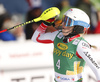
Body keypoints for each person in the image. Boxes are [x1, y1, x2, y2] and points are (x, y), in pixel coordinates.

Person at [32, 8, 100, 82]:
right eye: (64, 20)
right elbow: (36, 38)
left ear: (78, 27)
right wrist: (45, 23)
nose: (63, 24)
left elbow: (96, 68)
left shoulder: (81, 45)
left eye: (68, 22)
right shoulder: (58, 35)